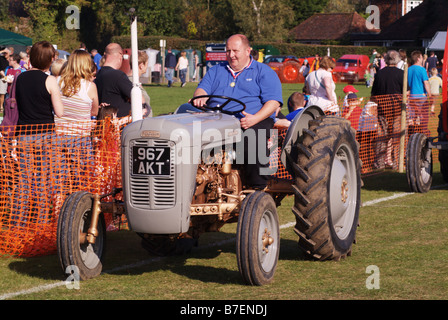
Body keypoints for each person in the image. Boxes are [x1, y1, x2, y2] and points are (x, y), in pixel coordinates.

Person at [191, 34, 283, 190]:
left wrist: (255, 118)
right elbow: (201, 89)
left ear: (248, 51)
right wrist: (200, 97)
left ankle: (256, 188)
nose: (231, 55)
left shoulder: (263, 72)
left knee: (253, 139)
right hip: (216, 119)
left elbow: (273, 102)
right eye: (228, 51)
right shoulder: (216, 71)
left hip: (251, 119)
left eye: (235, 51)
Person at [13, 40, 64, 225]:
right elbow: (59, 112)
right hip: (45, 135)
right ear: (50, 59)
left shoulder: (20, 78)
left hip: (24, 134)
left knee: (24, 180)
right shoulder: (49, 80)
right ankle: (41, 222)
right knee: (42, 179)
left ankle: (18, 222)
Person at [370, 50, 404, 168]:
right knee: (397, 137)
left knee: (381, 137)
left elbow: (373, 94)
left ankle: (379, 163)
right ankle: (396, 163)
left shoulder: (379, 74)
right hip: (398, 111)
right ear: (397, 60)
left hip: (382, 110)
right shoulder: (402, 74)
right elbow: (407, 92)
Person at [94, 43, 133, 118]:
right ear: (120, 55)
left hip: (102, 122)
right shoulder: (118, 76)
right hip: (118, 124)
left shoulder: (97, 74)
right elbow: (138, 97)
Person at [407, 50, 431, 136]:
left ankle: (411, 134)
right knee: (423, 117)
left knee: (411, 117)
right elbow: (426, 83)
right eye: (421, 57)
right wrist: (430, 95)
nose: (422, 59)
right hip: (421, 96)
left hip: (410, 97)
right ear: (418, 58)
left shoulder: (408, 69)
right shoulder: (422, 69)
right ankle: (423, 134)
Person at [128, 50, 152, 117]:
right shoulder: (131, 82)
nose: (147, 67)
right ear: (141, 65)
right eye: (147, 64)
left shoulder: (133, 81)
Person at [357, 101, 378, 173]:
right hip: (365, 133)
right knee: (364, 150)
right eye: (375, 110)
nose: (376, 111)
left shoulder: (371, 105)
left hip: (369, 132)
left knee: (370, 150)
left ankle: (368, 166)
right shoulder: (370, 108)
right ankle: (364, 167)